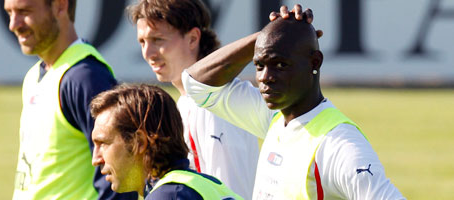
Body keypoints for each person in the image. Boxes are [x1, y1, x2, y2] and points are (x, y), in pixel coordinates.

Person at [182, 7, 406, 200]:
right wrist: (267, 35)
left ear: (314, 62)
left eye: (280, 64)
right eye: (259, 65)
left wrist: (274, 38)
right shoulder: (274, 118)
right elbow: (195, 84)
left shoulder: (339, 144)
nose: (265, 77)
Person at [125, 0, 261, 198]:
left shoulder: (215, 106)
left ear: (192, 38)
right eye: (142, 42)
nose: (148, 53)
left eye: (158, 40)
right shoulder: (188, 102)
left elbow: (231, 194)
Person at [4, 0, 137, 199]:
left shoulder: (85, 78)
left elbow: (121, 178)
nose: (14, 24)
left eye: (24, 11)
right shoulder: (34, 76)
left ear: (60, 6)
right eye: (10, 13)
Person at [90, 83, 243, 200]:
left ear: (139, 142)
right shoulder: (205, 184)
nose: (95, 159)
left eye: (103, 143)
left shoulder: (168, 195)